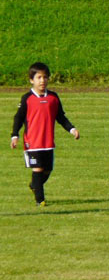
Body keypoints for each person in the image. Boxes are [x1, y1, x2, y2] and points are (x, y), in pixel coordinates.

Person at [10, 62, 80, 206]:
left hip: (47, 142)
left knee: (47, 170)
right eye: (39, 77)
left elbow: (60, 117)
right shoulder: (27, 98)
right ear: (31, 80)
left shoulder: (53, 97)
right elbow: (18, 118)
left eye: (45, 77)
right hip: (32, 143)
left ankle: (35, 185)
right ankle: (40, 201)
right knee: (38, 169)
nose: (42, 80)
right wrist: (15, 135)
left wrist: (72, 129)